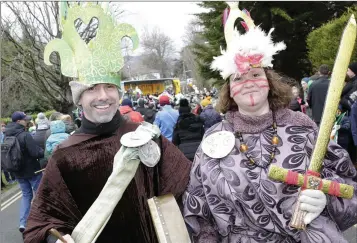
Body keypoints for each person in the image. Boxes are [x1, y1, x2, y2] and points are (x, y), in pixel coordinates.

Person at [183, 3, 357, 242]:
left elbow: (347, 181)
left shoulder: (303, 127)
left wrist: (327, 198)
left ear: (270, 82)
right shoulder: (213, 139)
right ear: (229, 91)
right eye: (239, 78)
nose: (249, 82)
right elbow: (198, 207)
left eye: (256, 74)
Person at [23, 4, 191, 243]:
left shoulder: (147, 137)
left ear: (118, 92)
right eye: (92, 88)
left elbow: (191, 186)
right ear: (79, 98)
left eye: (109, 86)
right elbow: (40, 225)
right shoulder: (64, 157)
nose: (103, 96)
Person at [4, 111, 44, 233]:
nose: (26, 121)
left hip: (18, 172)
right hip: (33, 171)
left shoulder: (7, 135)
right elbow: (35, 153)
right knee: (41, 194)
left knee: (26, 195)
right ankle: (44, 219)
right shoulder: (25, 135)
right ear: (18, 121)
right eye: (24, 119)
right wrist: (43, 151)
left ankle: (23, 222)